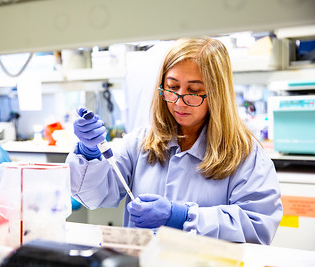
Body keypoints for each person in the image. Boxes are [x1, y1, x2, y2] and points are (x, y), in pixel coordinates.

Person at [66, 37, 283, 245]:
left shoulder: (245, 154)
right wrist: (90, 151)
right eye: (171, 87)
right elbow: (93, 196)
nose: (179, 101)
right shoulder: (141, 142)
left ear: (217, 94)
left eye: (194, 91)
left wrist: (180, 216)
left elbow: (257, 226)